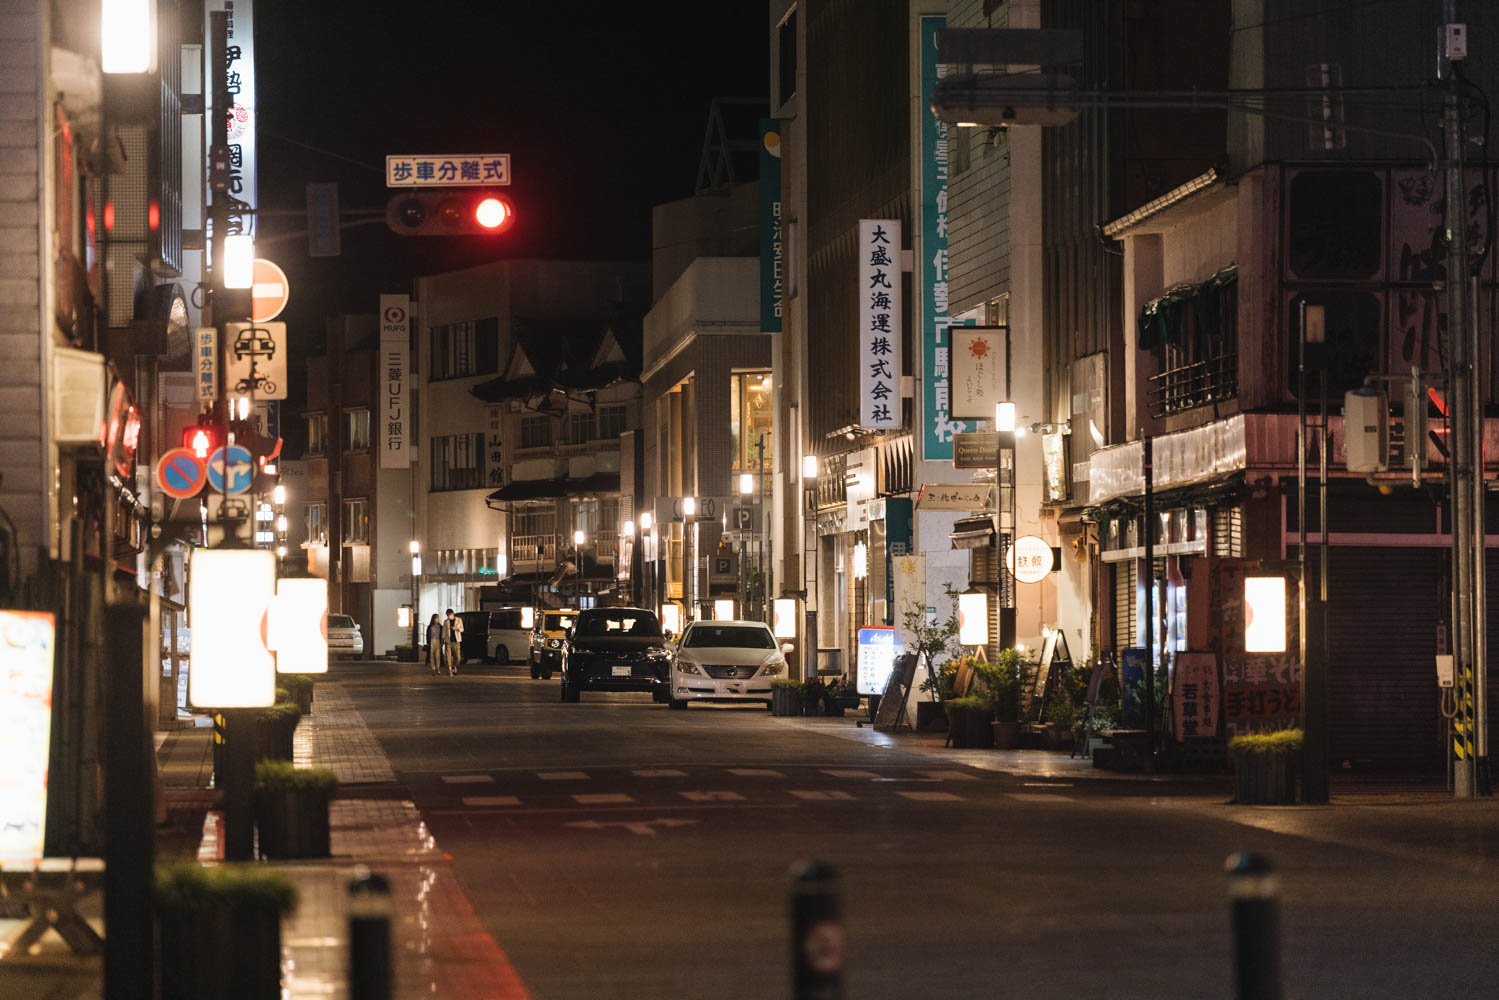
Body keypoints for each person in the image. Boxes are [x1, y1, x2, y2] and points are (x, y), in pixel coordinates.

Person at [444, 608, 463, 676]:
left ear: (453, 614)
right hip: (448, 641)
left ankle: (454, 667)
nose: (449, 616)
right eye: (447, 615)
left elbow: (462, 629)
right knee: (448, 657)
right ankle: (449, 670)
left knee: (457, 657)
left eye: (449, 614)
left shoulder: (458, 620)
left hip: (456, 641)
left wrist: (456, 628)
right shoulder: (446, 621)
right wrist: (443, 640)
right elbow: (444, 631)